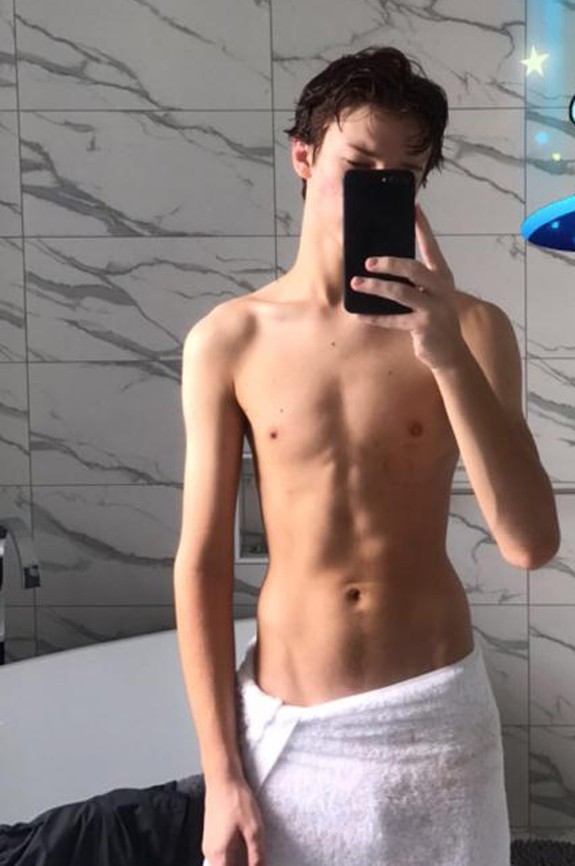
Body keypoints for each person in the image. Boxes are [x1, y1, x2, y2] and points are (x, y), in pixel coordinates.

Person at [173, 46, 560, 866]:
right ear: (304, 156)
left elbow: (529, 542)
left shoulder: (473, 328)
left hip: (435, 717)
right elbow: (202, 563)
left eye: (401, 176)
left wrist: (444, 353)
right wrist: (222, 775)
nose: (378, 187)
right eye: (358, 167)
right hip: (291, 723)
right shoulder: (229, 339)